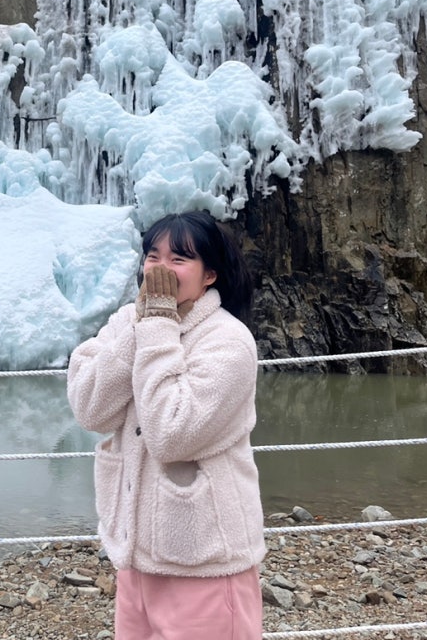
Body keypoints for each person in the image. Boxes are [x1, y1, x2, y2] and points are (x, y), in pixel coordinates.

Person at [67, 210, 265, 640]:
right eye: (153, 257)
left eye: (178, 259)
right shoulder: (128, 320)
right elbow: (90, 409)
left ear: (209, 274)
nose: (160, 270)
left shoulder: (229, 342)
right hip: (137, 554)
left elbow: (171, 434)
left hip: (205, 559)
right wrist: (141, 325)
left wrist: (157, 323)